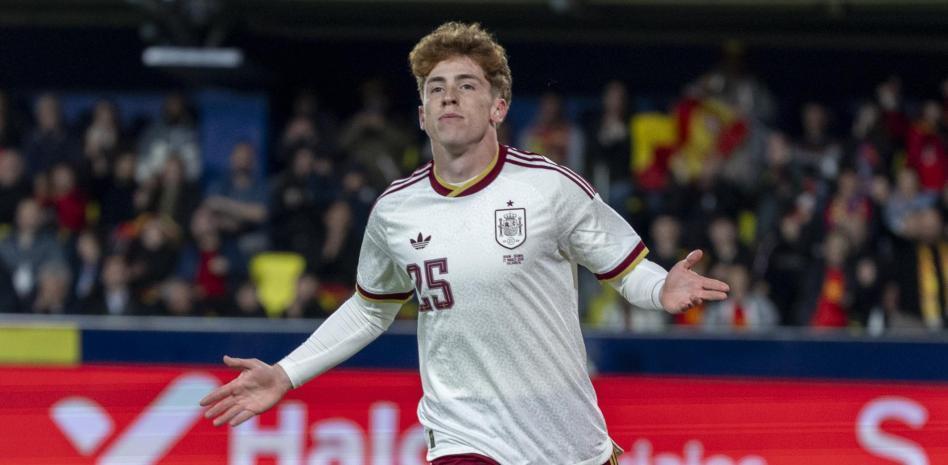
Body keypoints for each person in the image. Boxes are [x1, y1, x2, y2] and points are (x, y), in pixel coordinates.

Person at [200, 22, 729, 465]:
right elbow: (369, 309)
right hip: (462, 437)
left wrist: (660, 288)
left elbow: (625, 268)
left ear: (499, 107)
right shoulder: (395, 210)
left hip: (567, 442)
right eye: (435, 88)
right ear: (422, 114)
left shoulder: (549, 188)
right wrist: (286, 374)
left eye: (466, 85)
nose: (448, 95)